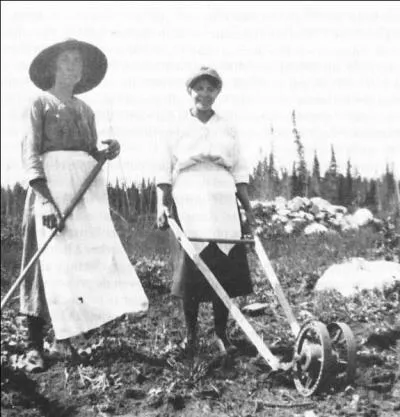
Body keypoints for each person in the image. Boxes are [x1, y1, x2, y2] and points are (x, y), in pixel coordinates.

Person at [20, 38, 149, 372]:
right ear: (53, 67)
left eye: (78, 63)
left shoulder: (86, 110)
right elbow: (30, 154)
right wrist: (46, 201)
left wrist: (108, 151)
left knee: (75, 261)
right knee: (41, 260)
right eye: (66, 61)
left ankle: (69, 335)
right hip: (50, 188)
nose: (72, 68)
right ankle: (33, 344)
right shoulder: (39, 103)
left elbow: (90, 152)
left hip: (82, 191)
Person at [156, 66, 255, 358]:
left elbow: (239, 169)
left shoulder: (227, 126)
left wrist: (248, 209)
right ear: (190, 91)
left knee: (223, 265)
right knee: (192, 269)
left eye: (211, 89)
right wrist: (162, 203)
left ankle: (221, 334)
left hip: (223, 197)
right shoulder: (176, 125)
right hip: (189, 196)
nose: (205, 94)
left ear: (217, 92)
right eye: (199, 88)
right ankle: (192, 336)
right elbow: (163, 166)